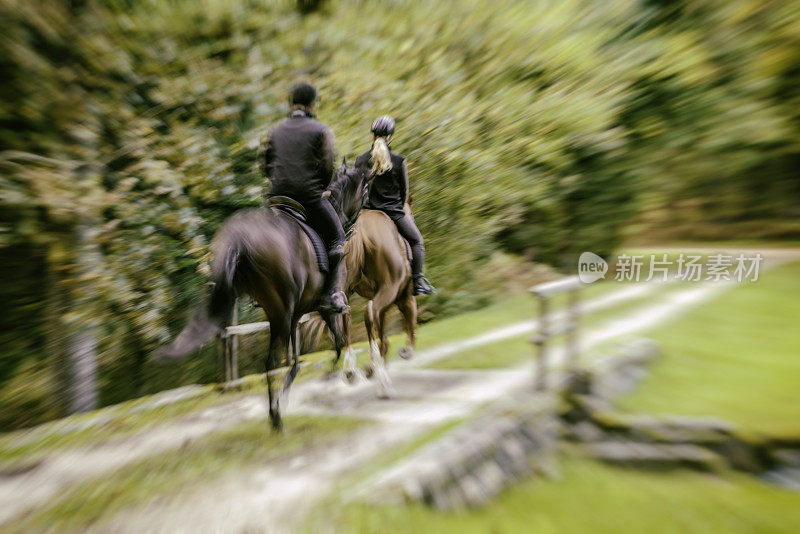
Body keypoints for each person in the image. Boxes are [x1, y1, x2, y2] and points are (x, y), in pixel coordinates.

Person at [261, 82, 348, 313]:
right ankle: (329, 295)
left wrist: (278, 182)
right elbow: (328, 166)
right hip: (308, 198)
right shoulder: (321, 130)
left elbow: (265, 165)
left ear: (291, 104)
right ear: (312, 104)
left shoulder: (274, 130)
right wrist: (322, 187)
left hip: (276, 198)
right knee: (337, 238)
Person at [355, 115, 434, 295]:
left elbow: (357, 189)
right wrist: (396, 204)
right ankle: (419, 280)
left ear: (372, 136)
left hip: (366, 212)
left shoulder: (360, 160)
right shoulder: (398, 161)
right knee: (417, 241)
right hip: (393, 212)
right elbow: (404, 193)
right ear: (390, 137)